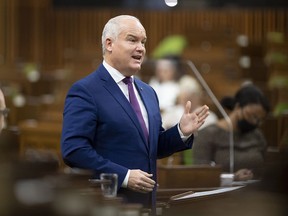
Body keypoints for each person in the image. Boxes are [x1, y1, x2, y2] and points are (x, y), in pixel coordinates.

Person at [61, 15, 209, 213]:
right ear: (109, 44)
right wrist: (124, 176)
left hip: (147, 206)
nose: (141, 48)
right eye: (132, 40)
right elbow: (73, 149)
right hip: (108, 206)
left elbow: (152, 147)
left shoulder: (148, 92)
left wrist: (181, 131)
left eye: (143, 42)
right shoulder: (86, 90)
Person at [192, 84, 271, 181]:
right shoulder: (208, 134)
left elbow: (266, 167)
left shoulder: (257, 135)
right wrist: (233, 177)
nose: (255, 122)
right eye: (252, 116)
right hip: (221, 193)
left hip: (256, 192)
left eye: (260, 120)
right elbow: (200, 173)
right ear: (238, 107)